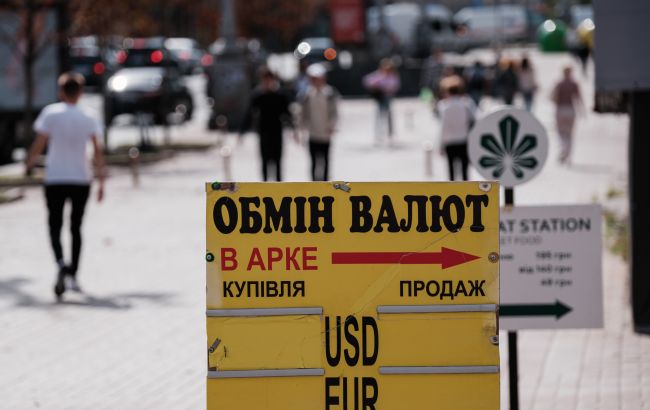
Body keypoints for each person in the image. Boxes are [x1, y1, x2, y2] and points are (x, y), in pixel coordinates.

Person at [25, 72, 105, 300]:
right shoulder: (88, 116)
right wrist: (101, 181)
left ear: (61, 92)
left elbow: (39, 143)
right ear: (80, 92)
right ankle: (73, 274)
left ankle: (61, 263)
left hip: (55, 178)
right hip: (81, 178)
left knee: (55, 225)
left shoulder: (50, 113)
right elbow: (97, 151)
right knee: (76, 228)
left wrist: (29, 164)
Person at [239, 67, 295, 181]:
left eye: (270, 80)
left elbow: (287, 114)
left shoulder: (280, 96)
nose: (268, 83)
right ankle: (264, 187)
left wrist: (294, 130)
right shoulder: (257, 96)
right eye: (265, 80)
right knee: (265, 162)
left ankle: (279, 188)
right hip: (263, 133)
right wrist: (242, 132)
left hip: (277, 133)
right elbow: (249, 114)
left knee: (278, 163)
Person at [299, 64, 339, 181]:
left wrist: (332, 125)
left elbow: (334, 112)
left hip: (325, 134)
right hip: (313, 134)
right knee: (313, 162)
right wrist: (301, 130)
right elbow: (303, 114)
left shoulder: (329, 93)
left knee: (325, 161)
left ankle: (325, 185)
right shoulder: (307, 94)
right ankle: (314, 185)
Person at [436, 75, 476, 181]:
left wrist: (440, 144)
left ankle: (452, 191)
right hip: (463, 140)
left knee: (451, 172)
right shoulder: (467, 103)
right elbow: (473, 121)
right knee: (465, 172)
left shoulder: (443, 106)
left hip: (449, 141)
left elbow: (443, 126)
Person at [552, 66, 584, 164]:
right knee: (569, 134)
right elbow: (579, 98)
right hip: (570, 109)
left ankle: (563, 149)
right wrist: (582, 111)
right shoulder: (574, 84)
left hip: (560, 109)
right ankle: (568, 153)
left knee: (561, 132)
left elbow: (552, 97)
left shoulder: (559, 84)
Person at [363, 58, 400, 142]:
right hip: (380, 98)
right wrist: (378, 86)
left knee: (388, 116)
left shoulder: (393, 75)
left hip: (388, 98)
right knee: (379, 115)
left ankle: (390, 133)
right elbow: (367, 81)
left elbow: (395, 85)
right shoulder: (379, 75)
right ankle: (379, 134)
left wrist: (388, 89)